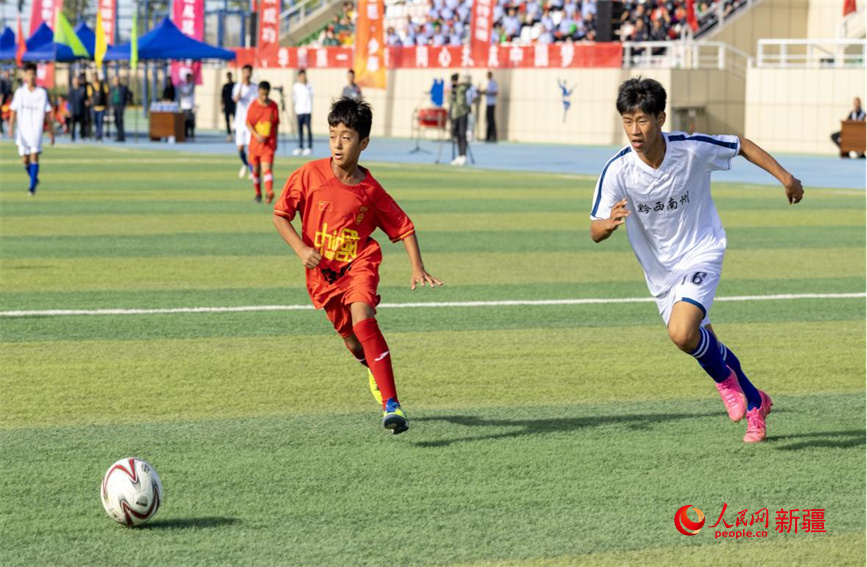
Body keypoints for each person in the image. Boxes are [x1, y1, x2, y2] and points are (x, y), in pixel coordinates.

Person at [589, 77, 804, 444]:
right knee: (698, 339)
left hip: (702, 250)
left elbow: (742, 146)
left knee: (682, 333)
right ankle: (756, 401)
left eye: (642, 120)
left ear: (660, 117)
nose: (634, 130)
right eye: (627, 121)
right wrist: (607, 226)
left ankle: (726, 384)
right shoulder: (618, 169)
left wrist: (786, 177)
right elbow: (594, 228)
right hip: (660, 272)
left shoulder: (690, 148)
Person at [272, 97, 443, 435]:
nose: (338, 143)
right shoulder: (308, 175)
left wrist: (417, 266)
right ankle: (371, 364)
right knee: (352, 341)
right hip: (322, 277)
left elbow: (404, 226)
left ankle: (392, 404)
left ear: (363, 143)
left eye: (347, 136)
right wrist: (301, 248)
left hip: (359, 264)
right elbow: (280, 216)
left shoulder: (370, 190)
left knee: (363, 315)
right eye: (333, 134)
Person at [7, 63, 54, 195]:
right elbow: (13, 111)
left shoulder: (41, 93)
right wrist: (10, 127)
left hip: (36, 130)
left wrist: (51, 132)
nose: (31, 76)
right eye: (28, 74)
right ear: (25, 76)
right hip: (22, 130)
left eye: (33, 74)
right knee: (25, 159)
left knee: (34, 156)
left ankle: (31, 187)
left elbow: (47, 114)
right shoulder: (20, 92)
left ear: (36, 75)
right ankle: (34, 178)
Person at [245, 81, 280, 204]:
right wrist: (256, 135)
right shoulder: (254, 106)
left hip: (268, 144)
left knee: (267, 168)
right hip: (255, 144)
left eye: (266, 94)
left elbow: (275, 125)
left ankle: (269, 192)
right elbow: (248, 123)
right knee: (256, 170)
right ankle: (258, 194)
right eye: (262, 94)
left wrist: (275, 140)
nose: (264, 97)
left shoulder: (273, 106)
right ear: (258, 92)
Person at [232, 64, 258, 178]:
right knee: (240, 148)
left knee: (250, 148)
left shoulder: (255, 88)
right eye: (244, 72)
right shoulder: (238, 86)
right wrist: (242, 86)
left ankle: (252, 170)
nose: (246, 75)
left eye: (248, 72)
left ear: (251, 73)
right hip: (239, 122)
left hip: (250, 123)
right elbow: (236, 99)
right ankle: (245, 164)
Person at [448, 73, 470, 166]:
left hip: (463, 113)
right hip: (455, 114)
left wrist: (460, 84)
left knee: (462, 134)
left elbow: (468, 85)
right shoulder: (452, 90)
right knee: (457, 135)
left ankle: (463, 155)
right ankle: (459, 155)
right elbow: (451, 102)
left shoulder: (462, 88)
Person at [293, 69, 314, 156]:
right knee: (300, 129)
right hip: (299, 111)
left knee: (308, 129)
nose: (302, 77)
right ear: (299, 77)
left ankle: (309, 146)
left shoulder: (309, 85)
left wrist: (306, 84)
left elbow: (311, 95)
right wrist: (296, 108)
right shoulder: (296, 86)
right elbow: (294, 98)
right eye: (301, 76)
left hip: (307, 110)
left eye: (304, 75)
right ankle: (300, 146)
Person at [110, 76, 132, 142]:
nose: (116, 82)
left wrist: (127, 102)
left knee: (120, 121)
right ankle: (120, 134)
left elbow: (130, 94)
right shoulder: (112, 88)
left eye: (117, 80)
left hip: (120, 106)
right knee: (116, 121)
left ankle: (121, 136)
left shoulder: (123, 88)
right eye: (115, 80)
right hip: (114, 106)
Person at [88, 74, 109, 142]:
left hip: (102, 107)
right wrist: (91, 103)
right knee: (96, 122)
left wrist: (107, 104)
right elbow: (90, 96)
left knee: (100, 122)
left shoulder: (103, 85)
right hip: (94, 108)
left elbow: (107, 94)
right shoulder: (90, 86)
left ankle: (99, 136)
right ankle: (97, 134)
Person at [67, 75, 87, 142]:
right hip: (73, 110)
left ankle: (82, 137)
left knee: (82, 124)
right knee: (73, 125)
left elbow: (85, 99)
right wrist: (68, 110)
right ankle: (72, 137)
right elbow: (69, 101)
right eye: (75, 80)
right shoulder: (71, 90)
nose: (76, 82)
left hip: (81, 110)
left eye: (77, 80)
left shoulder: (82, 89)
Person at [179, 72, 196, 139]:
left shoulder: (192, 85)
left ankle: (191, 132)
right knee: (184, 120)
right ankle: (185, 133)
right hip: (184, 105)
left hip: (190, 105)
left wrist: (184, 94)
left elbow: (189, 92)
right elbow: (181, 92)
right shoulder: (183, 85)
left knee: (191, 120)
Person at [221, 71, 236, 142]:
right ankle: (229, 134)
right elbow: (222, 97)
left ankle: (235, 132)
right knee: (227, 121)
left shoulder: (235, 85)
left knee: (235, 120)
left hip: (233, 106)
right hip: (227, 106)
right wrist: (222, 106)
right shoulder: (225, 86)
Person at [484, 70, 498, 142]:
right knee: (488, 120)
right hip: (488, 103)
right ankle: (488, 136)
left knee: (491, 120)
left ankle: (494, 136)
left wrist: (488, 92)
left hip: (492, 103)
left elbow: (496, 92)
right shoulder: (488, 83)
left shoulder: (493, 83)